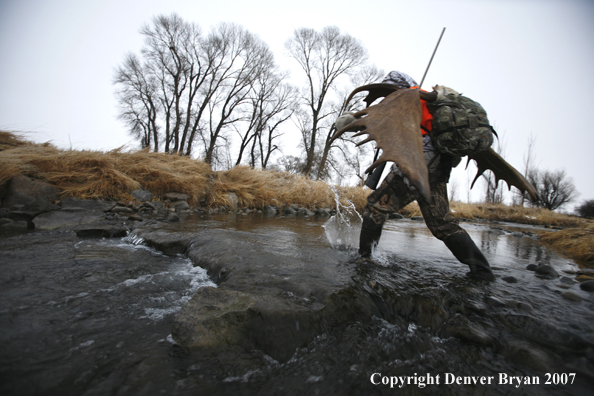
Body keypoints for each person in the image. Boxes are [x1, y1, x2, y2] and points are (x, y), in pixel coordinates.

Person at [358, 71, 496, 281]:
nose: (387, 95)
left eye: (388, 89)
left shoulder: (407, 97)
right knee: (442, 223)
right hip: (439, 166)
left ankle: (365, 263)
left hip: (420, 161)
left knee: (376, 206)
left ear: (396, 86)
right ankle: (482, 272)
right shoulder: (428, 99)